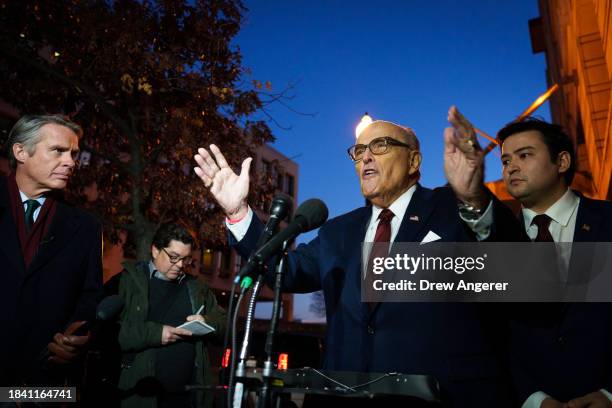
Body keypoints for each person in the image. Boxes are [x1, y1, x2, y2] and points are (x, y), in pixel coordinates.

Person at [193, 108, 523, 407]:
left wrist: (473, 200)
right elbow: (283, 270)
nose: (365, 158)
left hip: (439, 395)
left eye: (380, 146)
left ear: (414, 161)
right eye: (359, 151)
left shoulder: (454, 210)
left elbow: (518, 270)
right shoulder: (339, 232)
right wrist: (238, 213)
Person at [495, 118, 612, 408]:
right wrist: (534, 400)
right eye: (506, 160)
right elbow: (492, 336)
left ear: (561, 161)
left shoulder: (607, 222)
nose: (511, 167)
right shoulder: (495, 242)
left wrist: (610, 394)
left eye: (524, 155)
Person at [0, 114, 103, 386]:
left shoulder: (87, 227)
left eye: (73, 153)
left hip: (42, 388)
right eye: (58, 150)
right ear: (20, 151)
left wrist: (79, 339)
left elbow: (89, 297)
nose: (71, 162)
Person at [111, 222, 226, 408]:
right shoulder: (125, 282)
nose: (180, 265)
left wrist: (207, 321)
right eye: (174, 257)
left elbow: (225, 325)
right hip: (141, 398)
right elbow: (108, 335)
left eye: (186, 259)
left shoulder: (197, 288)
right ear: (155, 250)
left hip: (188, 398)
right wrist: (155, 334)